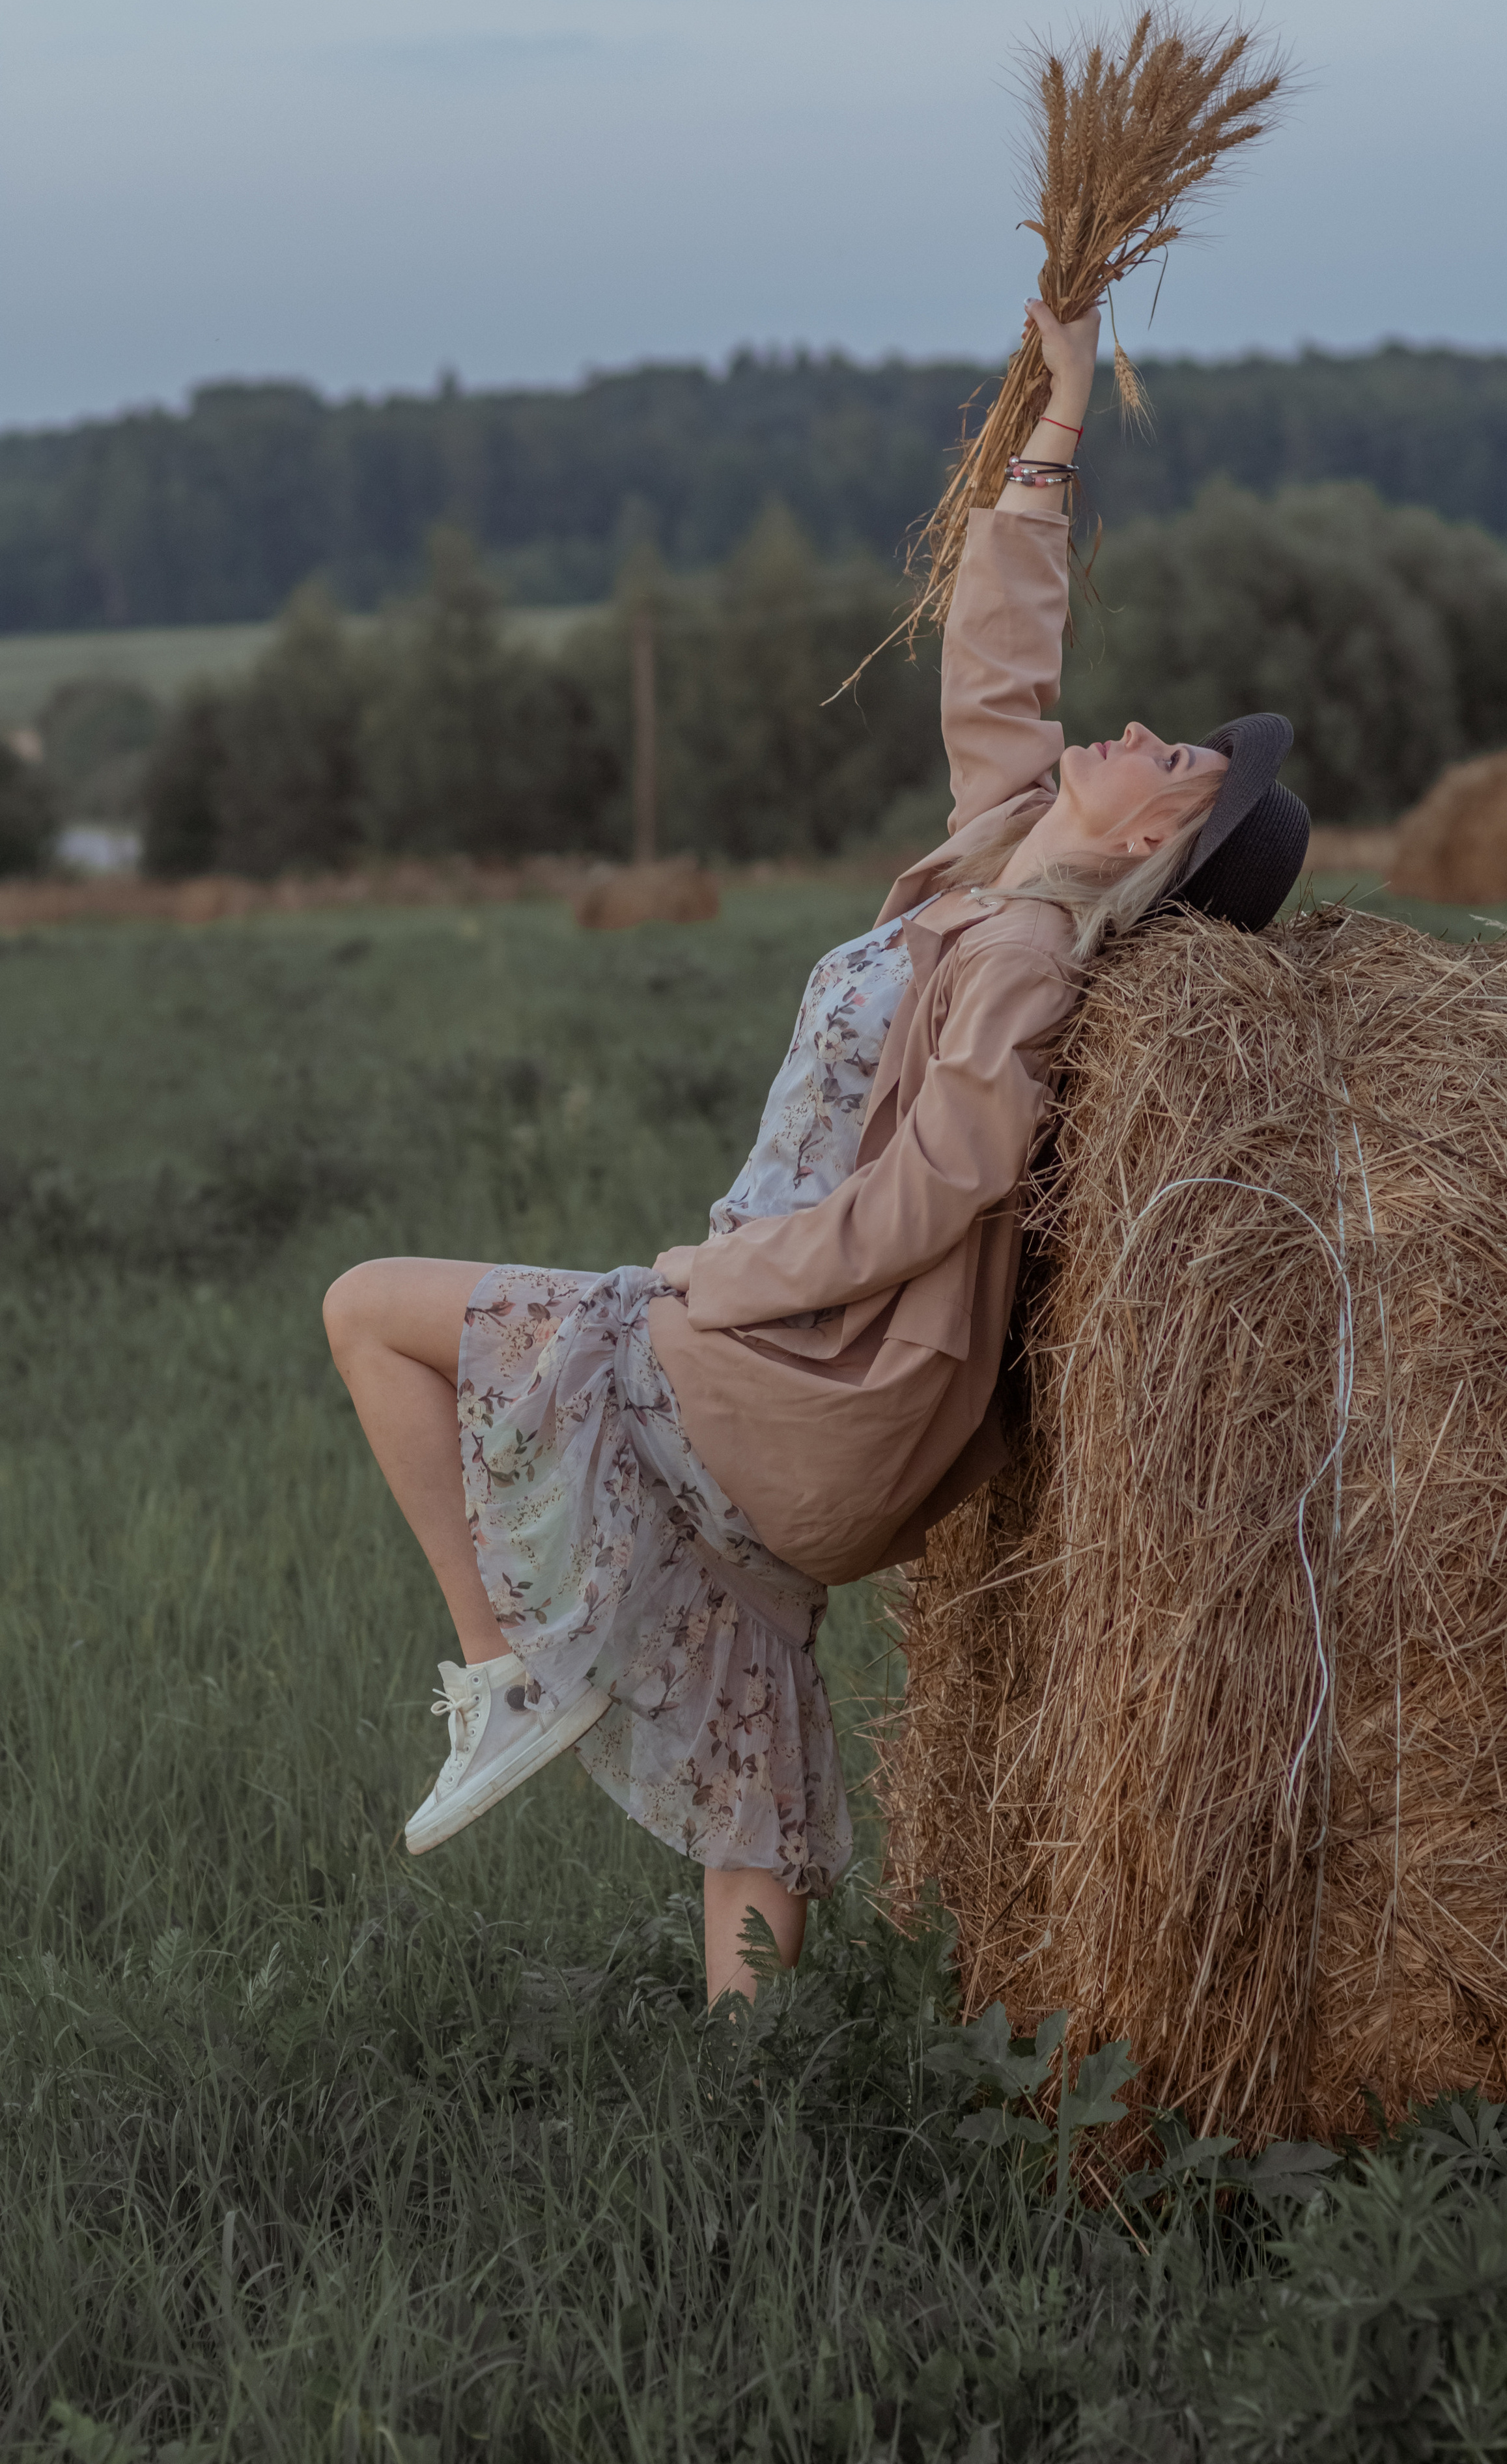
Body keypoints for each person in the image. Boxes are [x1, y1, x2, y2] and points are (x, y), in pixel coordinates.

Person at [322, 300, 1310, 2004]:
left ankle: (501, 1670)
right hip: (806, 1447)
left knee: (365, 1307)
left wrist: (707, 1279)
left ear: (1165, 837)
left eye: (1170, 758)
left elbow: (938, 1189)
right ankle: (756, 2105)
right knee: (750, 1792)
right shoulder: (998, 866)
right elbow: (997, 665)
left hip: (774, 1363)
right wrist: (1059, 421)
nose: (1134, 735)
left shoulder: (1019, 966)